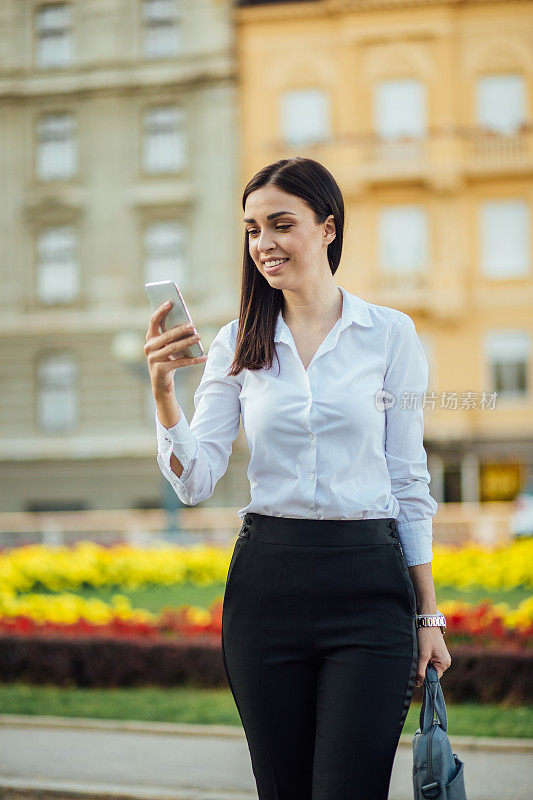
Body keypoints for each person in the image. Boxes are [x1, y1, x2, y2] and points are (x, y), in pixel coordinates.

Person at [144, 157, 452, 800]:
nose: (264, 244)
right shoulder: (236, 343)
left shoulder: (390, 335)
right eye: (252, 229)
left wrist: (429, 615)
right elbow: (196, 479)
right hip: (267, 587)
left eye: (281, 225)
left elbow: (408, 479)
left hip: (369, 585)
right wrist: (164, 393)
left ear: (328, 228)